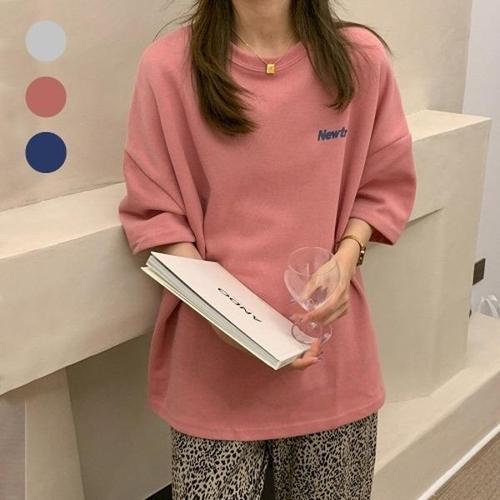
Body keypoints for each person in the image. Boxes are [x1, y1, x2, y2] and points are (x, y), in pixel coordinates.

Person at [117, 0, 417, 498]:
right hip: (214, 369)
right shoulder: (168, 67)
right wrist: (228, 321)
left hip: (330, 365)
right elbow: (156, 212)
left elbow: (382, 183)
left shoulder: (360, 60)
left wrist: (347, 256)